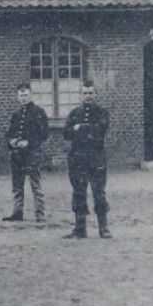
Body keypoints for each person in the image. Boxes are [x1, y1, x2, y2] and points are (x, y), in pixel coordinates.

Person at [62, 79, 110, 238]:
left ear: (95, 94)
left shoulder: (102, 112)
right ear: (80, 95)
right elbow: (66, 134)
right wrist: (78, 129)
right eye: (85, 93)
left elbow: (100, 129)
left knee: (99, 192)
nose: (88, 96)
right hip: (78, 159)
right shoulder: (75, 113)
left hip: (96, 159)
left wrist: (80, 127)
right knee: (79, 192)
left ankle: (104, 228)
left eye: (90, 93)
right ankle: (80, 228)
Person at [2, 83, 49, 223]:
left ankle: (40, 214)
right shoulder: (16, 115)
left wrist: (29, 142)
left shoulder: (39, 112)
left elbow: (44, 134)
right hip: (16, 154)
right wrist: (11, 141)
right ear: (18, 97)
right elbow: (9, 133)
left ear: (31, 95)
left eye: (26, 95)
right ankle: (17, 212)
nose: (23, 98)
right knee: (16, 184)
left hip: (32, 154)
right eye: (21, 95)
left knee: (35, 183)